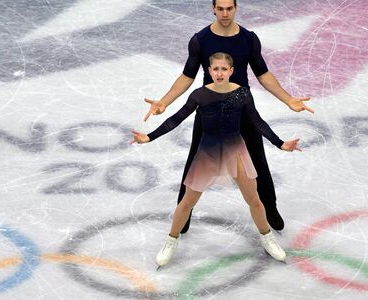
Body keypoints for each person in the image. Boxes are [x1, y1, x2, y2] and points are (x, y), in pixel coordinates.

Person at [143, 0, 313, 233]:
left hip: (241, 107)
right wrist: (165, 101)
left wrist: (288, 99)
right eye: (220, 8)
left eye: (229, 8)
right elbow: (187, 76)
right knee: (194, 161)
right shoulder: (200, 40)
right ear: (213, 8)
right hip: (209, 110)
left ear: (236, 8)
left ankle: (269, 207)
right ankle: (184, 213)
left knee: (258, 160)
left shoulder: (249, 39)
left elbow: (263, 73)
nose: (225, 13)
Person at [131, 53, 301, 266]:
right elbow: (176, 118)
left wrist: (280, 143)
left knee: (255, 200)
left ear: (231, 71)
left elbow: (257, 122)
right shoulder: (200, 95)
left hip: (235, 152)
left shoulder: (243, 94)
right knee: (187, 203)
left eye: (224, 69)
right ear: (209, 71)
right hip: (208, 153)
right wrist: (149, 137)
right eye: (215, 69)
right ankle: (171, 241)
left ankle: (267, 238)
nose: (219, 73)